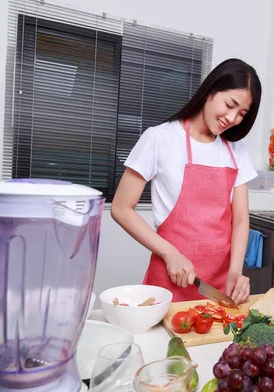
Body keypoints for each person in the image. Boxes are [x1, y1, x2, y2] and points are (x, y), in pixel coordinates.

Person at [111, 58, 261, 304]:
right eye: (230, 104)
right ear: (210, 91)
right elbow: (120, 208)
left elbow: (241, 219)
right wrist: (170, 253)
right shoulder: (160, 138)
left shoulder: (237, 151)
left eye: (241, 113)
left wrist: (236, 271)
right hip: (168, 281)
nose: (232, 118)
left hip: (217, 289)